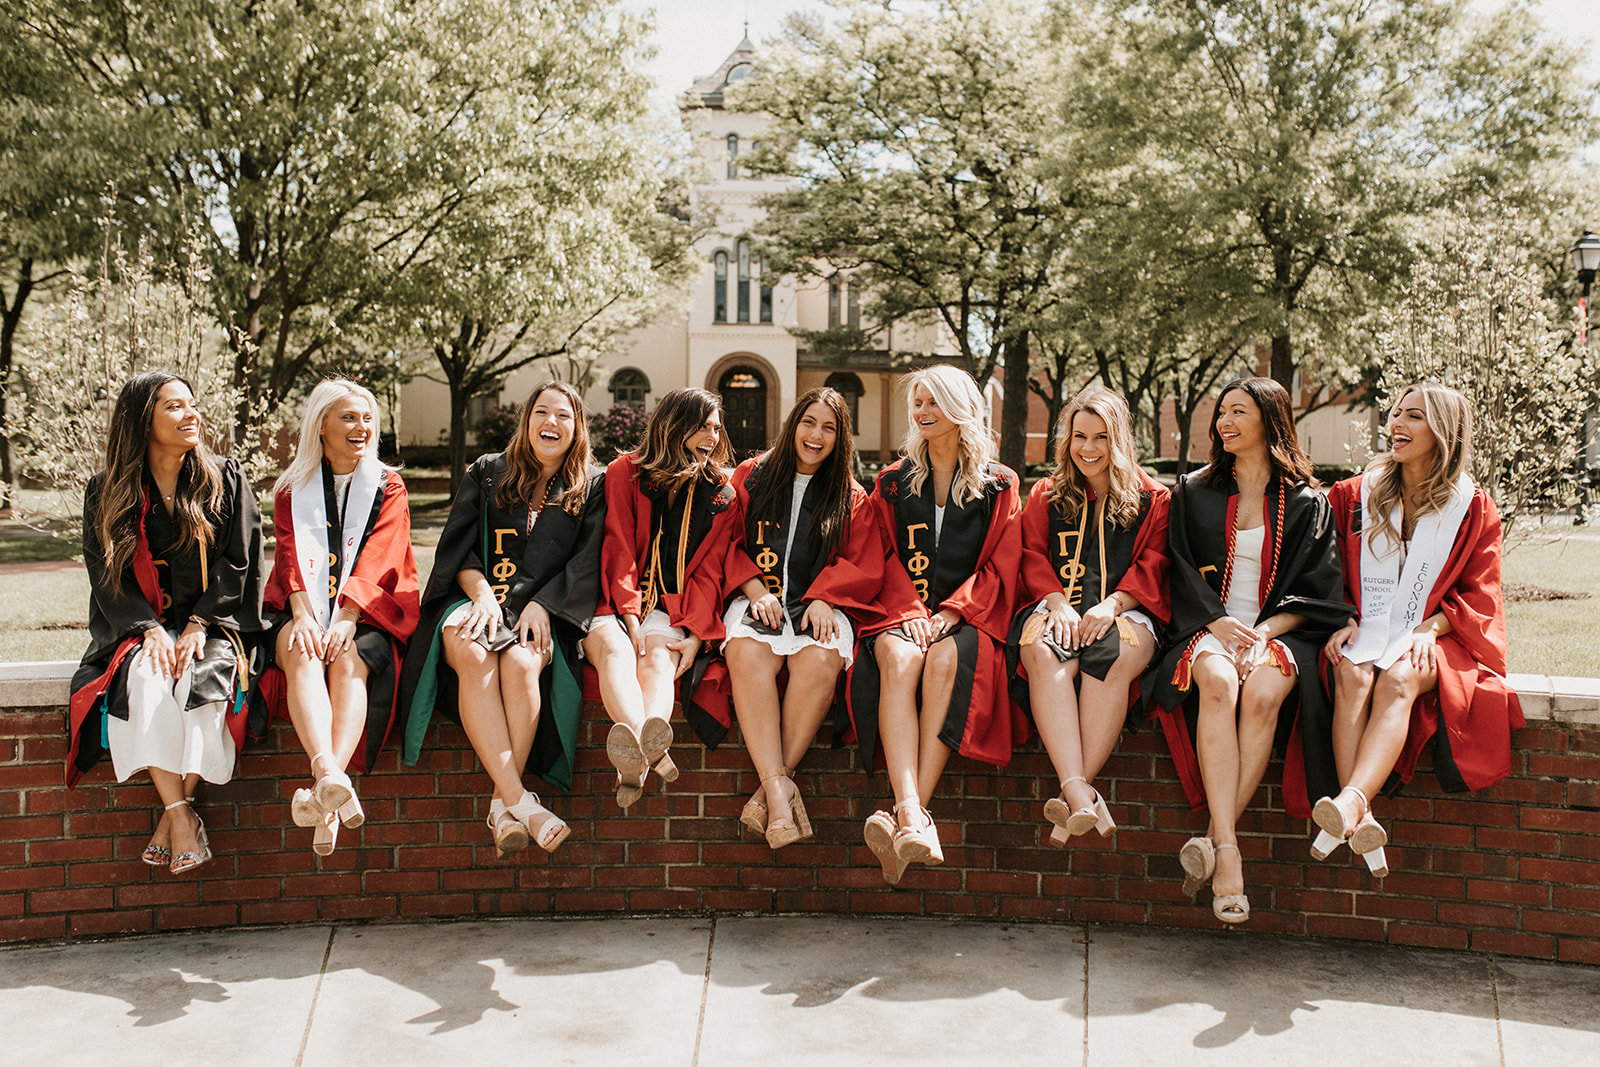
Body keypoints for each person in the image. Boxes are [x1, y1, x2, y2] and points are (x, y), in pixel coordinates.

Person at [1146, 377, 1350, 924]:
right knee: (1217, 683)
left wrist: (1264, 632)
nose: (1225, 422)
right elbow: (1178, 570)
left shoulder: (1307, 501)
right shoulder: (1194, 491)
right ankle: (1230, 853)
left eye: (1238, 411)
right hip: (1207, 625)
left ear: (1269, 418)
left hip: (1278, 633)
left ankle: (1213, 838)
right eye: (1222, 412)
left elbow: (1320, 589)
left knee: (1261, 694)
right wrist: (1217, 622)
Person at [1317, 382, 1522, 877]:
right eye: (1396, 413)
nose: (1397, 424)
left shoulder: (1471, 506)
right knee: (1351, 673)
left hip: (1438, 635)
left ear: (1444, 432)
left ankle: (1350, 804)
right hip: (1366, 625)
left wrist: (1429, 628)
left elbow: (1481, 593)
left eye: (1414, 416)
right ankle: (1360, 813)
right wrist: (1344, 617)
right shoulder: (1356, 495)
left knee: (1400, 677)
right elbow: (1326, 568)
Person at [67, 371, 264, 875]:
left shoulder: (224, 478)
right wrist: (149, 629)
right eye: (174, 406)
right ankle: (181, 817)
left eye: (192, 404)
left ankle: (174, 817)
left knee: (203, 679)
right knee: (146, 678)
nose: (191, 414)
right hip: (142, 624)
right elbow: (105, 573)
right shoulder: (108, 491)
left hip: (213, 623)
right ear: (142, 420)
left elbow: (240, 560)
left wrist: (199, 623)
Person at [398, 382, 604, 857]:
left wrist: (545, 604)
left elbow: (585, 562)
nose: (551, 423)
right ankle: (521, 802)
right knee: (474, 654)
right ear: (527, 419)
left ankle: (501, 805)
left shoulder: (590, 486)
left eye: (564, 416)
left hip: (541, 611)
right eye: (542, 412)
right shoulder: (489, 472)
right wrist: (482, 595)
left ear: (577, 428)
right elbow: (457, 547)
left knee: (523, 663)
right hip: (472, 598)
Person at [849, 364, 1024, 886]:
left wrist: (952, 611)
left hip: (968, 614)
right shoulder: (892, 482)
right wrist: (910, 611)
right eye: (918, 403)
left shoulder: (999, 483)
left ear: (961, 408)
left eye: (933, 402)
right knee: (899, 658)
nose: (923, 412)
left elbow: (1002, 562)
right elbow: (880, 554)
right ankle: (913, 815)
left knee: (945, 660)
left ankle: (908, 814)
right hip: (900, 610)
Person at [259, 380, 419, 855]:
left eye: (368, 418)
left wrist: (347, 616)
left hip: (367, 612)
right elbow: (288, 555)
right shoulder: (292, 488)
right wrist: (304, 615)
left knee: (348, 658)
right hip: (301, 606)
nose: (362, 427)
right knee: (301, 649)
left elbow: (381, 555)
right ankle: (330, 778)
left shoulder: (388, 485)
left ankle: (325, 792)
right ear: (321, 425)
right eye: (349, 417)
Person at [720, 387, 884, 849]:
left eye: (829, 428)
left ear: (840, 438)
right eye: (809, 422)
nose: (816, 435)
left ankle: (771, 791)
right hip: (759, 596)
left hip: (819, 606)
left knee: (820, 659)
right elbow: (724, 541)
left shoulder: (849, 494)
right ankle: (780, 793)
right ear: (794, 423)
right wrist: (754, 589)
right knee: (747, 652)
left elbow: (863, 561)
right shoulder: (752, 476)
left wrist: (825, 596)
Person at [1007, 387, 1170, 845]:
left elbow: (1155, 563)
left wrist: (1113, 604)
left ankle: (1072, 797)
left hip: (1127, 610)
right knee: (1042, 653)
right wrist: (1058, 602)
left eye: (1101, 437)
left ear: (1119, 439)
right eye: (1080, 436)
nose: (1089, 448)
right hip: (1056, 605)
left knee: (1110, 657)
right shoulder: (1047, 493)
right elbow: (1031, 554)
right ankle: (1081, 796)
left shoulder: (1152, 498)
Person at [587, 387, 752, 809]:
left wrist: (696, 633)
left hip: (673, 605)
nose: (713, 437)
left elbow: (711, 570)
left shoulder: (721, 495)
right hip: (611, 599)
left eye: (717, 428)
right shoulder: (626, 472)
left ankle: (637, 759)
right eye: (703, 427)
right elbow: (619, 545)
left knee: (659, 659)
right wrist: (629, 614)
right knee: (618, 653)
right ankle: (651, 752)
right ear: (674, 425)